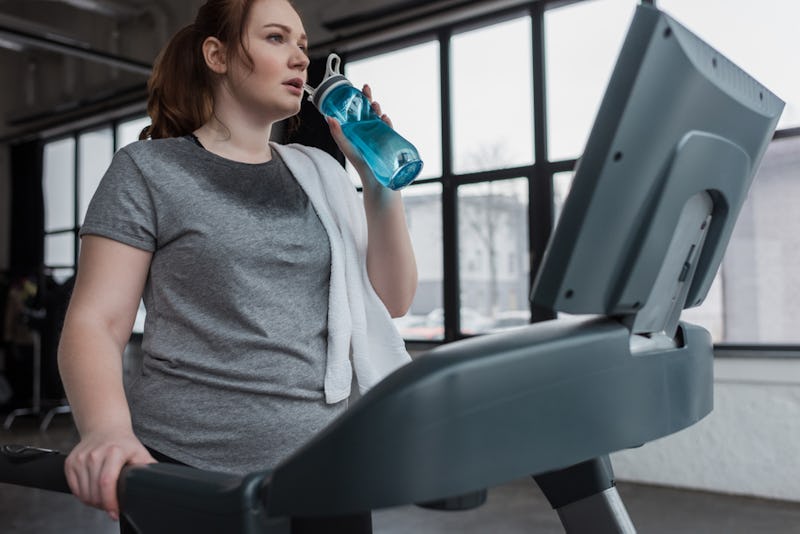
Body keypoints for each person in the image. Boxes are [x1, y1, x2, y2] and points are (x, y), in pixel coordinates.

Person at [56, 0, 418, 532]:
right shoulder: (150, 169)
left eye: (303, 45)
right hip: (191, 473)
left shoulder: (320, 172)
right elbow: (97, 321)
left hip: (326, 471)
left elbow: (393, 300)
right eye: (276, 39)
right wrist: (107, 430)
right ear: (216, 55)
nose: (300, 59)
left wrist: (377, 181)